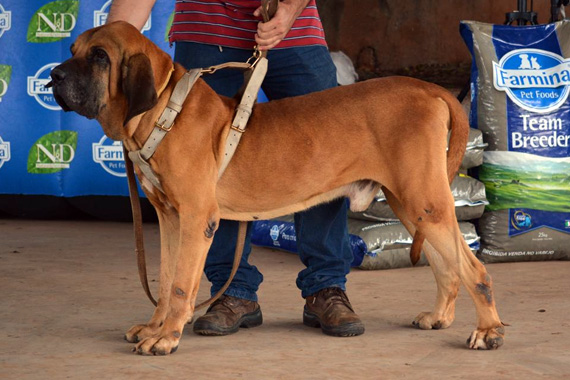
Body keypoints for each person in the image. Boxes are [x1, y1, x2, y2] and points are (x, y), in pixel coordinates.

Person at [107, 0, 364, 337]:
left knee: (326, 148)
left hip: (293, 26)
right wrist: (109, 41)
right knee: (204, 173)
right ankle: (233, 290)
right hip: (204, 28)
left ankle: (326, 286)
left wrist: (290, 9)